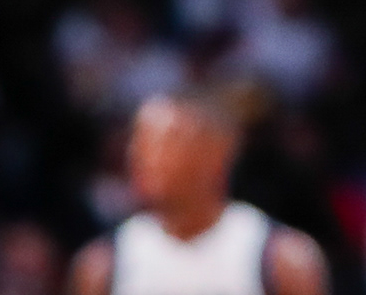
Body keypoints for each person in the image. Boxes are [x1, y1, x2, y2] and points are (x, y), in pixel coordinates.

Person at [68, 91, 327, 295]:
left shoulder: (283, 258)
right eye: (139, 142)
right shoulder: (101, 265)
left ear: (218, 154)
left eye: (164, 142)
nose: (141, 156)